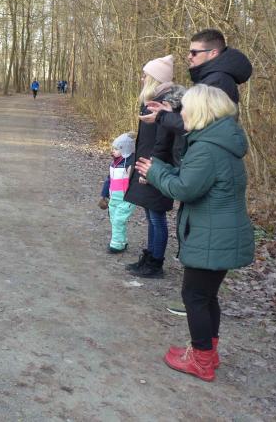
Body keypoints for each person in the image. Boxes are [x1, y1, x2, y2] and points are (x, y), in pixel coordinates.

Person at [135, 84, 254, 382]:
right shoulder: (218, 143)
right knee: (206, 295)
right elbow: (193, 178)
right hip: (220, 232)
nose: (182, 113)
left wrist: (155, 173)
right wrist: (161, 170)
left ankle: (201, 360)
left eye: (185, 108)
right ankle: (207, 352)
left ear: (200, 111)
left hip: (213, 234)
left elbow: (184, 189)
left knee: (194, 296)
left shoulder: (207, 149)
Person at [124, 55, 184, 278]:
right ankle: (149, 257)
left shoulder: (166, 104)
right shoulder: (155, 100)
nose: (141, 79)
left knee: (157, 217)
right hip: (147, 164)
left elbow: (163, 141)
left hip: (157, 167)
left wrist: (152, 170)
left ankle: (155, 263)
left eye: (145, 75)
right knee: (151, 215)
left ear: (154, 79)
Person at [146, 29, 252, 126]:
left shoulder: (218, 81)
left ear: (213, 53)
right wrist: (171, 111)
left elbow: (202, 126)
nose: (189, 56)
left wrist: (163, 116)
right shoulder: (210, 78)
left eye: (194, 53)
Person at [99, 133, 136, 253]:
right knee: (113, 219)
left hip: (126, 198)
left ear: (125, 149)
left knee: (119, 220)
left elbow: (135, 180)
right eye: (113, 148)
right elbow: (109, 180)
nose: (113, 151)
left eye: (116, 149)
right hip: (114, 197)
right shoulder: (114, 164)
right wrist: (104, 195)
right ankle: (122, 241)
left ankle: (116, 245)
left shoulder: (131, 164)